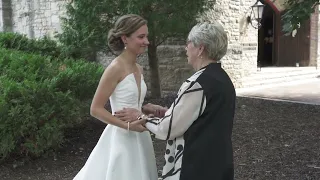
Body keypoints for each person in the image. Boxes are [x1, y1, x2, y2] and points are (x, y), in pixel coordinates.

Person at [115, 21, 236, 180]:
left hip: (197, 167)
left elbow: (167, 129)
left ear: (200, 49)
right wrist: (167, 112)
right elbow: (204, 117)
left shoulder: (197, 84)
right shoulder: (222, 79)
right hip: (219, 163)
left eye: (189, 43)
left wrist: (140, 117)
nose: (186, 48)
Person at [73, 14, 158, 180]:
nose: (146, 41)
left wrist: (145, 108)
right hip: (122, 138)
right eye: (141, 37)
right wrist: (127, 126)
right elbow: (95, 109)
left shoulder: (139, 68)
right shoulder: (115, 68)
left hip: (141, 136)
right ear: (125, 38)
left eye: (146, 36)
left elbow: (131, 102)